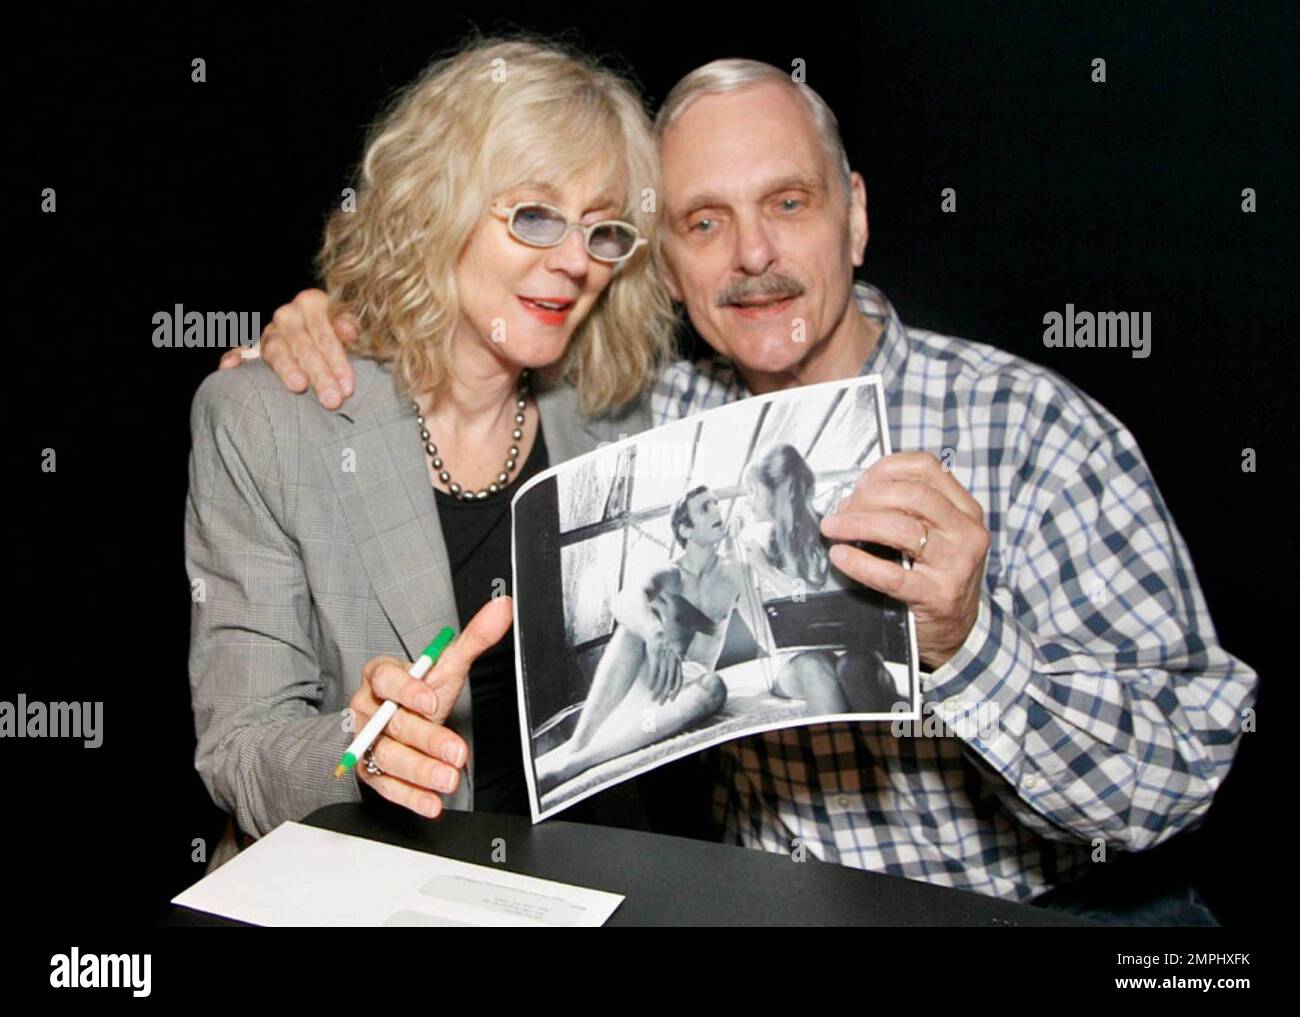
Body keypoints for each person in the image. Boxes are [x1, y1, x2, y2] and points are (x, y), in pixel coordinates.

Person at [228, 58, 1255, 919]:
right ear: (664, 268)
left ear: (853, 215)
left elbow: (1179, 780)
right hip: (760, 909)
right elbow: (458, 344)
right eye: (704, 223)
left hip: (1032, 913)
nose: (754, 255)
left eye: (788, 204)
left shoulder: (1031, 432)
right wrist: (329, 321)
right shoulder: (640, 415)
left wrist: (967, 646)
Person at [185, 37, 676, 868]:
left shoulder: (621, 419)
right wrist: (364, 746)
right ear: (434, 207)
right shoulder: (267, 418)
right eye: (534, 215)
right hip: (350, 889)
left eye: (604, 229)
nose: (572, 260)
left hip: (572, 886)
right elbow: (240, 748)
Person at [535, 485, 746, 793]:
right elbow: (623, 599)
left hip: (693, 686)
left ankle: (577, 762)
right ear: (685, 529)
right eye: (705, 508)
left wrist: (741, 540)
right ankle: (577, 745)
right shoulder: (671, 573)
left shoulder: (732, 569)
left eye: (716, 503)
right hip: (653, 678)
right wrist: (654, 633)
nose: (717, 510)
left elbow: (769, 586)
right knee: (634, 625)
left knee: (715, 686)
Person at [739, 443, 898, 714]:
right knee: (814, 665)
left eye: (752, 491)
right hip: (797, 661)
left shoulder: (834, 532)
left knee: (855, 668)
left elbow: (831, 605)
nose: (747, 501)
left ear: (778, 491)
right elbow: (768, 635)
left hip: (850, 651)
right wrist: (762, 569)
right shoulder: (761, 548)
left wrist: (769, 571)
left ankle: (889, 749)